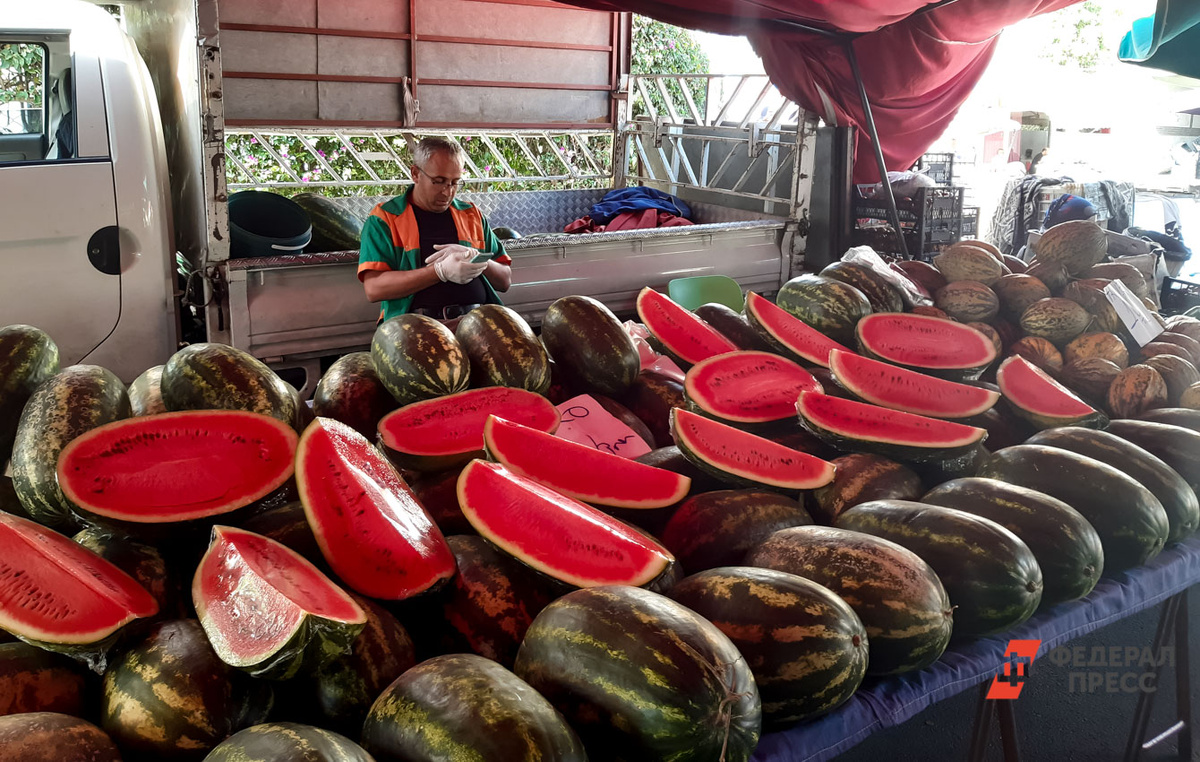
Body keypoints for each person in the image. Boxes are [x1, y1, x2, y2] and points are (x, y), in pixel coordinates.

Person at [357, 137, 512, 325]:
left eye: (455, 182)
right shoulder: (385, 219)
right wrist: (439, 271)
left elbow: (505, 280)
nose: (447, 192)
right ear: (415, 173)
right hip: (416, 328)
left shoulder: (471, 215)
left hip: (478, 322)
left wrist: (477, 260)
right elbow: (374, 289)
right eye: (439, 181)